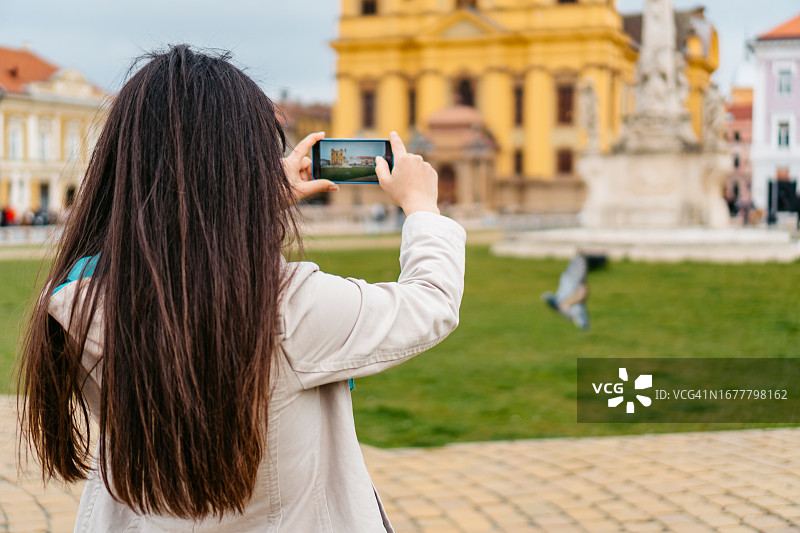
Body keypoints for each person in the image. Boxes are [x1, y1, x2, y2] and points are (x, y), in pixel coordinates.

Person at [17, 45, 465, 532]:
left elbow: (179, 257)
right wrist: (420, 205)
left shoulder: (76, 301)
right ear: (241, 170)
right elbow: (430, 302)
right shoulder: (290, 307)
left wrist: (251, 204)